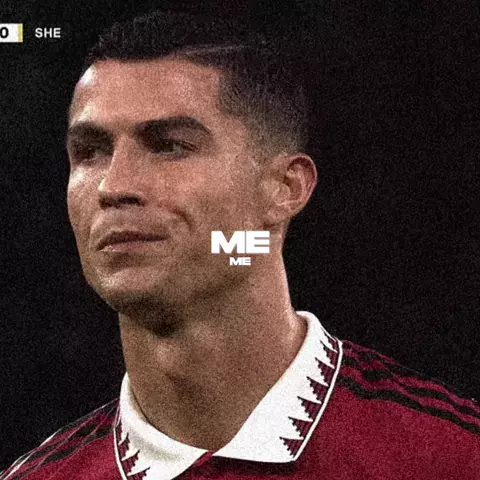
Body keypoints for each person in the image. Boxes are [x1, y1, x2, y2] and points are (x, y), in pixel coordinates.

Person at [2, 10, 479, 480]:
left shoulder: (453, 458)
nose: (113, 185)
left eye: (169, 145)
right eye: (90, 152)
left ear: (285, 188)